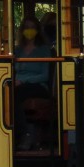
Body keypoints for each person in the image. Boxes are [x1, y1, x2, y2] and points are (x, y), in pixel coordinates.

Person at [14, 15, 54, 150]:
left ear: (37, 30)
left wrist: (23, 80)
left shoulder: (44, 50)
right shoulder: (17, 50)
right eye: (26, 28)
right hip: (17, 84)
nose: (29, 31)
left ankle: (25, 133)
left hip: (39, 86)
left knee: (16, 94)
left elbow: (45, 75)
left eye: (32, 28)